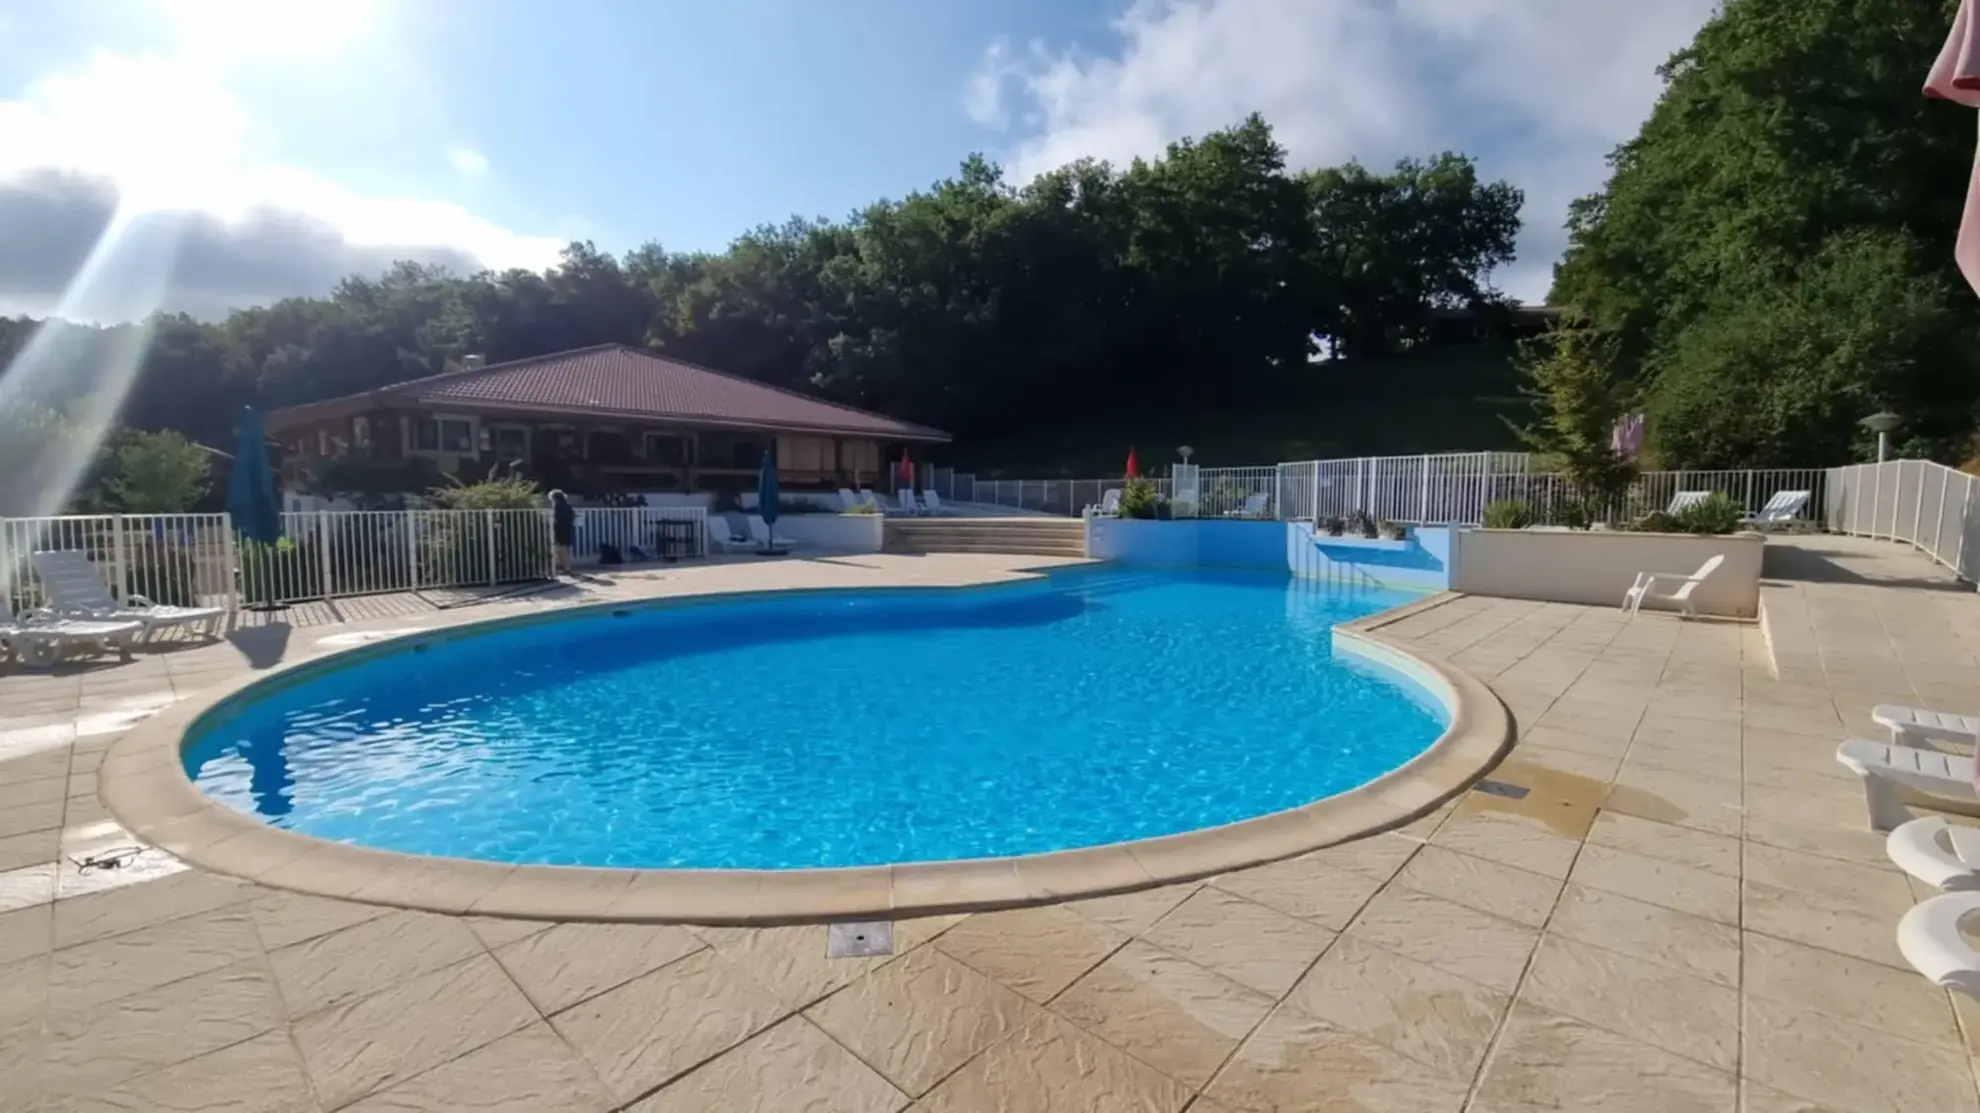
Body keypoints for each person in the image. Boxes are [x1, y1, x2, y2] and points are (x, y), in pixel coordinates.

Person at [548, 489, 575, 574]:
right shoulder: (568, 506)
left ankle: (566, 567)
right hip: (568, 528)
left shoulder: (557, 507)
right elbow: (572, 516)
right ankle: (564, 566)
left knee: (561, 548)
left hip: (559, 529)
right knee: (565, 548)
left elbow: (556, 519)